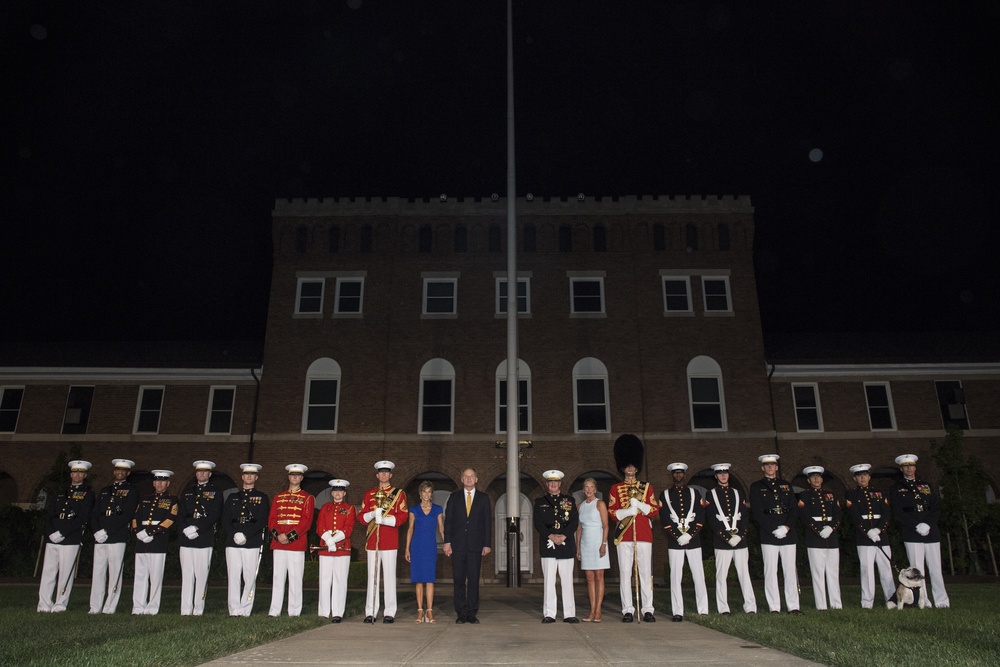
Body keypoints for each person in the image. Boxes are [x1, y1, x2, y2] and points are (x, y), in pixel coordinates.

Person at [607, 433, 659, 623]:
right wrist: (627, 511)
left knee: (645, 573)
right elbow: (612, 512)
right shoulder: (615, 488)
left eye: (632, 464)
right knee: (625, 573)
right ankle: (627, 609)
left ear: (637, 466)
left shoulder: (647, 487)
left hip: (644, 535)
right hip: (624, 536)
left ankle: (647, 609)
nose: (630, 468)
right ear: (623, 467)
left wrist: (640, 506)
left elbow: (654, 510)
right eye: (627, 465)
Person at [890, 454, 949, 608]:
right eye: (905, 466)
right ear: (901, 469)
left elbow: (935, 508)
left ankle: (942, 601)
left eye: (911, 465)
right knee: (917, 570)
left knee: (936, 568)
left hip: (930, 532)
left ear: (915, 467)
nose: (909, 468)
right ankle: (924, 600)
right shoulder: (896, 488)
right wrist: (916, 525)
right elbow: (898, 513)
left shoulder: (926, 486)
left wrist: (928, 524)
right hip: (912, 532)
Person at [38, 460, 95, 613]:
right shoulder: (60, 492)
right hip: (53, 538)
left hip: (70, 538)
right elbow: (50, 514)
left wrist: (62, 533)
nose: (77, 475)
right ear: (71, 474)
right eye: (75, 472)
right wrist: (51, 532)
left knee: (65, 574)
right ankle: (43, 604)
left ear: (85, 475)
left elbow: (82, 518)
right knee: (48, 572)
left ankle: (60, 604)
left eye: (81, 472)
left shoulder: (87, 494)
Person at [749, 454, 801, 614]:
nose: (770, 467)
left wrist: (786, 527)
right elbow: (757, 512)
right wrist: (773, 528)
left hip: (787, 533)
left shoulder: (786, 485)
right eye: (767, 465)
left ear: (777, 467)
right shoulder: (756, 486)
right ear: (762, 468)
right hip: (769, 534)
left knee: (790, 571)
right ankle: (774, 607)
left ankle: (793, 606)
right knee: (771, 571)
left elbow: (793, 509)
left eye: (773, 465)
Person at [358, 460, 408, 623]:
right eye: (381, 472)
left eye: (387, 472)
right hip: (373, 541)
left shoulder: (399, 494)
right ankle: (370, 611)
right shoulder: (369, 494)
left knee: (389, 576)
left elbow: (402, 516)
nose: (384, 475)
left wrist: (385, 520)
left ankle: (389, 611)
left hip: (389, 541)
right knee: (372, 577)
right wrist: (372, 515)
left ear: (391, 475)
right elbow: (361, 517)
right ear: (377, 475)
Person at [705, 463, 756, 615]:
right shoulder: (710, 494)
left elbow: (744, 516)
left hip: (740, 541)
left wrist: (740, 535)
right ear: (716, 476)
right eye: (720, 473)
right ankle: (723, 608)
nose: (723, 476)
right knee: (721, 576)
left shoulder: (738, 493)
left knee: (744, 574)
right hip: (722, 542)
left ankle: (750, 606)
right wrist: (727, 537)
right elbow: (712, 519)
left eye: (725, 473)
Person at [89, 458, 138, 614]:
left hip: (117, 536)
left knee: (115, 573)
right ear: (114, 471)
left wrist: (107, 531)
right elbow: (95, 513)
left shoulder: (132, 491)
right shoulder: (105, 490)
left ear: (128, 473)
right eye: (117, 470)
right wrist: (97, 530)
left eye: (123, 470)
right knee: (98, 572)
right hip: (100, 537)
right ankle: (95, 606)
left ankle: (110, 606)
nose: (119, 472)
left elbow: (127, 515)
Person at [443, 467, 492, 624]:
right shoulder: (454, 497)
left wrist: (487, 544)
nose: (469, 479)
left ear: (476, 479)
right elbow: (448, 521)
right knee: (458, 579)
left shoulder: (484, 498)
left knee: (473, 579)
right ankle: (461, 613)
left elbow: (487, 523)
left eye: (472, 476)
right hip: (457, 545)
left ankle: (471, 613)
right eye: (466, 476)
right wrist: (447, 542)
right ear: (462, 479)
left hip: (475, 546)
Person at [662, 462, 709, 622]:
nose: (678, 475)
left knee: (699, 575)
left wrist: (689, 535)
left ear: (684, 475)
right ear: (672, 475)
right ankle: (678, 611)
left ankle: (703, 609)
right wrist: (677, 535)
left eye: (680, 473)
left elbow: (700, 516)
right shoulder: (665, 495)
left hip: (693, 540)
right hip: (675, 543)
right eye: (675, 473)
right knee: (675, 577)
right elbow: (665, 518)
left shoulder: (695, 493)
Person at [268, 463, 316, 617]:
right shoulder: (278, 497)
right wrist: (279, 536)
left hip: (296, 543)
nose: (295, 478)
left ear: (301, 478)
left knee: (295, 578)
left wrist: (289, 537)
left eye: (298, 476)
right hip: (278, 542)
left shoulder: (307, 498)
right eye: (292, 475)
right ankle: (274, 610)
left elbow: (306, 522)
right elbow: (272, 519)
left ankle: (294, 611)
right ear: (289, 477)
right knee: (277, 578)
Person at [845, 463, 895, 609]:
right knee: (866, 570)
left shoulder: (878, 493)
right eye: (859, 476)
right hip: (864, 538)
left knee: (886, 569)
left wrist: (879, 530)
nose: (863, 478)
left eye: (865, 475)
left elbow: (886, 513)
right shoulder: (851, 494)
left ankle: (891, 599)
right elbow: (855, 516)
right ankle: (867, 602)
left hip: (881, 536)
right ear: (855, 478)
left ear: (869, 477)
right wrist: (868, 531)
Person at [223, 463, 270, 616]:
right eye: (246, 474)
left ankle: (246, 608)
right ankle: (234, 609)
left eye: (252, 475)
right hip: (233, 541)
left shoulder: (262, 497)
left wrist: (246, 535)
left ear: (256, 478)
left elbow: (262, 520)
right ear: (242, 477)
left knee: (249, 576)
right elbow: (225, 519)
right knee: (234, 576)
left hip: (252, 541)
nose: (249, 477)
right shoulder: (232, 497)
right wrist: (235, 533)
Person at [533, 469, 579, 623]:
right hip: (548, 545)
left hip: (566, 544)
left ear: (560, 484)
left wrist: (564, 535)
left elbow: (573, 522)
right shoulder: (540, 502)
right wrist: (551, 536)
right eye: (550, 482)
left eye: (556, 482)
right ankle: (549, 613)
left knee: (567, 580)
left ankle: (569, 613)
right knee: (549, 581)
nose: (553, 484)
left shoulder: (569, 501)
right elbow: (538, 523)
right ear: (547, 484)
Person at [178, 460, 224, 616]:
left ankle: (198, 608)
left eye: (205, 472)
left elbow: (215, 514)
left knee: (201, 575)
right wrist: (185, 528)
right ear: (196, 474)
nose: (202, 474)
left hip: (204, 537)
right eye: (199, 472)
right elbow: (181, 513)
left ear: (210, 474)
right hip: (186, 537)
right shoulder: (188, 491)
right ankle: (185, 608)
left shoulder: (216, 492)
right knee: (187, 575)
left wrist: (197, 527)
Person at [132, 469, 178, 615]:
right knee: (140, 575)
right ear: (153, 483)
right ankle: (138, 607)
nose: (159, 484)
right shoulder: (145, 499)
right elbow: (136, 517)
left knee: (155, 577)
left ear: (168, 483)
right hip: (141, 540)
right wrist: (138, 531)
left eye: (163, 481)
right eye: (157, 481)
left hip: (158, 540)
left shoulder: (172, 500)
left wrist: (151, 532)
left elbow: (170, 519)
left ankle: (152, 607)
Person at [797, 466, 843, 610]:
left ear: (822, 479)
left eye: (818, 477)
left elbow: (837, 514)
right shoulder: (804, 495)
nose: (816, 479)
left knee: (833, 572)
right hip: (814, 538)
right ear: (808, 480)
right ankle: (821, 605)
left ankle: (836, 604)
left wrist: (831, 528)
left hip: (831, 537)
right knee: (818, 573)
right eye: (813, 477)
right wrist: (818, 530)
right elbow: (805, 516)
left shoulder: (830, 495)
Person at [317, 479, 356, 623]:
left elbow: (349, 527)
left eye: (340, 491)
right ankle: (323, 611)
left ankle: (338, 612)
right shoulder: (324, 507)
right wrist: (328, 540)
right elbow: (320, 526)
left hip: (342, 548)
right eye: (335, 491)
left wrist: (335, 540)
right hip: (325, 547)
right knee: (324, 580)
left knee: (340, 580)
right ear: (332, 493)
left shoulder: (350, 508)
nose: (338, 493)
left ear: (344, 493)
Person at [406, 481, 444, 623]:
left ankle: (429, 611)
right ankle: (420, 612)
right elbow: (410, 529)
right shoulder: (414, 509)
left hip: (430, 546)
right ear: (420, 493)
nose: (426, 494)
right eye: (424, 491)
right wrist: (407, 548)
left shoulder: (438, 509)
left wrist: (447, 544)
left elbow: (441, 529)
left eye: (429, 491)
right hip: (417, 546)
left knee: (430, 579)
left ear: (431, 494)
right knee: (418, 579)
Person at [574, 477, 609, 622]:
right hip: (585, 544)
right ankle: (592, 610)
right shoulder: (580, 506)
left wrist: (603, 544)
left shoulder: (600, 504)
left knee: (599, 576)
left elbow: (606, 526)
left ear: (595, 489)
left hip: (598, 542)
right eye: (586, 487)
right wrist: (578, 548)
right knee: (589, 578)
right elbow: (579, 528)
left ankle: (598, 610)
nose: (589, 490)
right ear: (583, 490)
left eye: (591, 487)